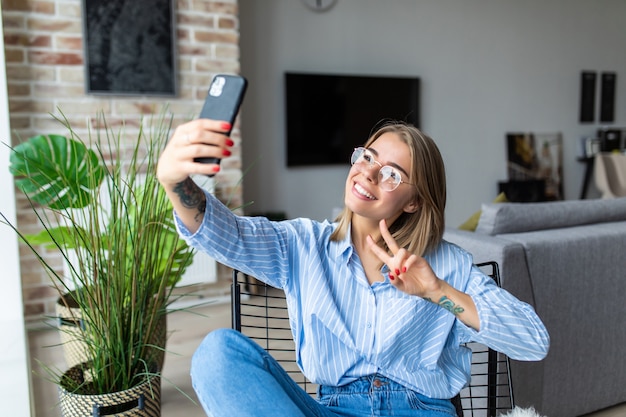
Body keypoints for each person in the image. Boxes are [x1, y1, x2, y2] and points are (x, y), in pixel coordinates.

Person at [157, 118, 550, 417]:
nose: (368, 172)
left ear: (414, 201)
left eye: (392, 174)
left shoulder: (448, 265)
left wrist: (438, 293)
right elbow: (223, 234)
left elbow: (533, 341)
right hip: (334, 408)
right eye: (367, 156)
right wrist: (175, 182)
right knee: (216, 353)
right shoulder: (303, 245)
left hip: (420, 408)